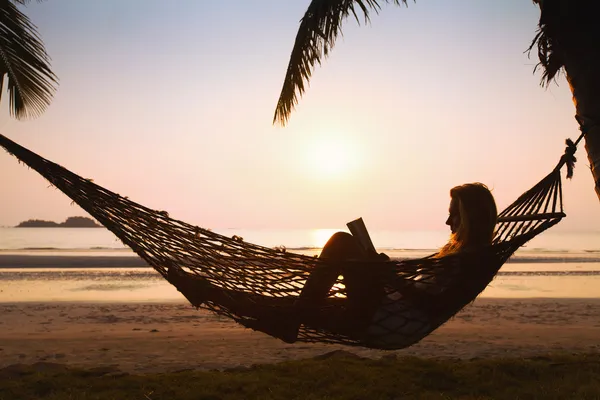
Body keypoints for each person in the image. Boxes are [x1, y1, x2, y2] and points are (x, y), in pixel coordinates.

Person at [168, 183, 497, 344]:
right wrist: (387, 271)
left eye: (454, 212)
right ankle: (205, 290)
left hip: (384, 320)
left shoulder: (473, 261)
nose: (447, 220)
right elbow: (419, 292)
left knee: (340, 242)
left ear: (469, 215)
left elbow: (432, 303)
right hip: (383, 311)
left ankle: (287, 319)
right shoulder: (466, 257)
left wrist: (389, 278)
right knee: (283, 304)